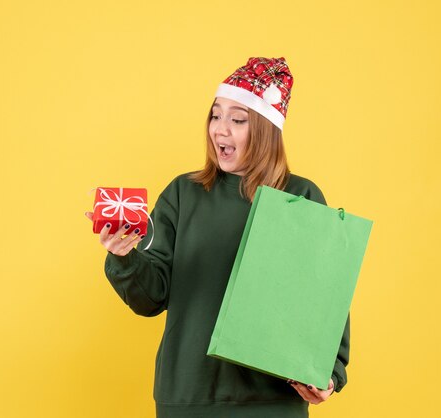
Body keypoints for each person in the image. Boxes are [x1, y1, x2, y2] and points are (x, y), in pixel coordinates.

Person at [85, 57, 350, 418]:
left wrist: (329, 374)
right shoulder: (183, 194)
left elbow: (325, 300)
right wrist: (124, 258)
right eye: (215, 115)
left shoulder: (299, 196)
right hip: (187, 396)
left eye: (238, 119)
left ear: (266, 128)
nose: (219, 130)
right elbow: (151, 299)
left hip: (271, 402)